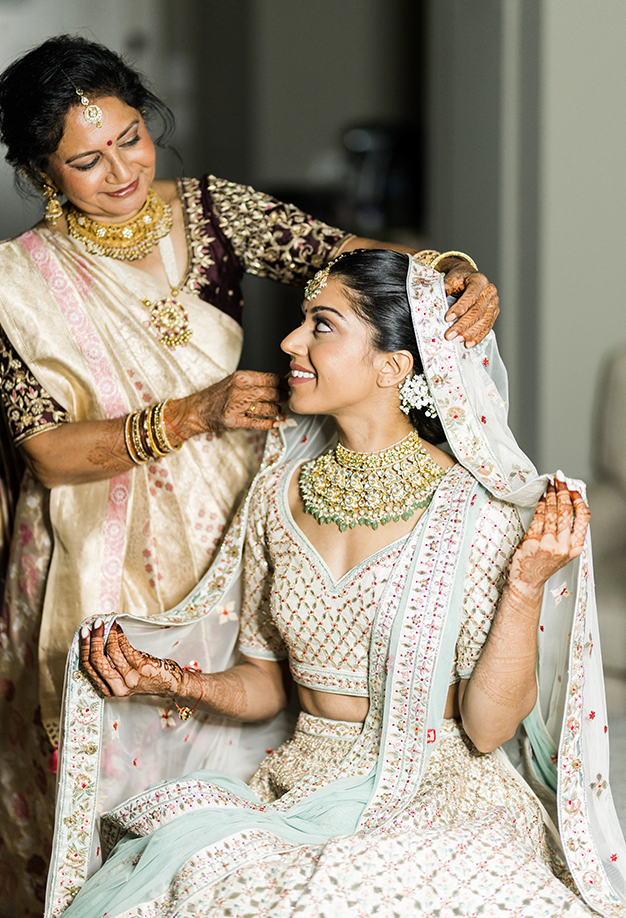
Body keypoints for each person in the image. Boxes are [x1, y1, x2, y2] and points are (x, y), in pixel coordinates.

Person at [0, 34, 501, 918]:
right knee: (99, 762)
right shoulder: (16, 281)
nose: (122, 171)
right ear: (40, 171)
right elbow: (47, 451)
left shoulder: (215, 210)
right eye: (87, 161)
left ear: (148, 117)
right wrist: (190, 414)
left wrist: (448, 270)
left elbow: (344, 259)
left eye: (131, 138)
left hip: (230, 525)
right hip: (91, 545)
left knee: (240, 744)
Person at [49, 251, 626, 917]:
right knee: (203, 882)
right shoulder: (277, 493)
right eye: (301, 321)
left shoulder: (477, 513)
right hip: (298, 785)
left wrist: (525, 588)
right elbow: (266, 684)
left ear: (394, 366)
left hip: (437, 792)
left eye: (321, 325)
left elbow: (489, 728)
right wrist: (174, 682)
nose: (290, 341)